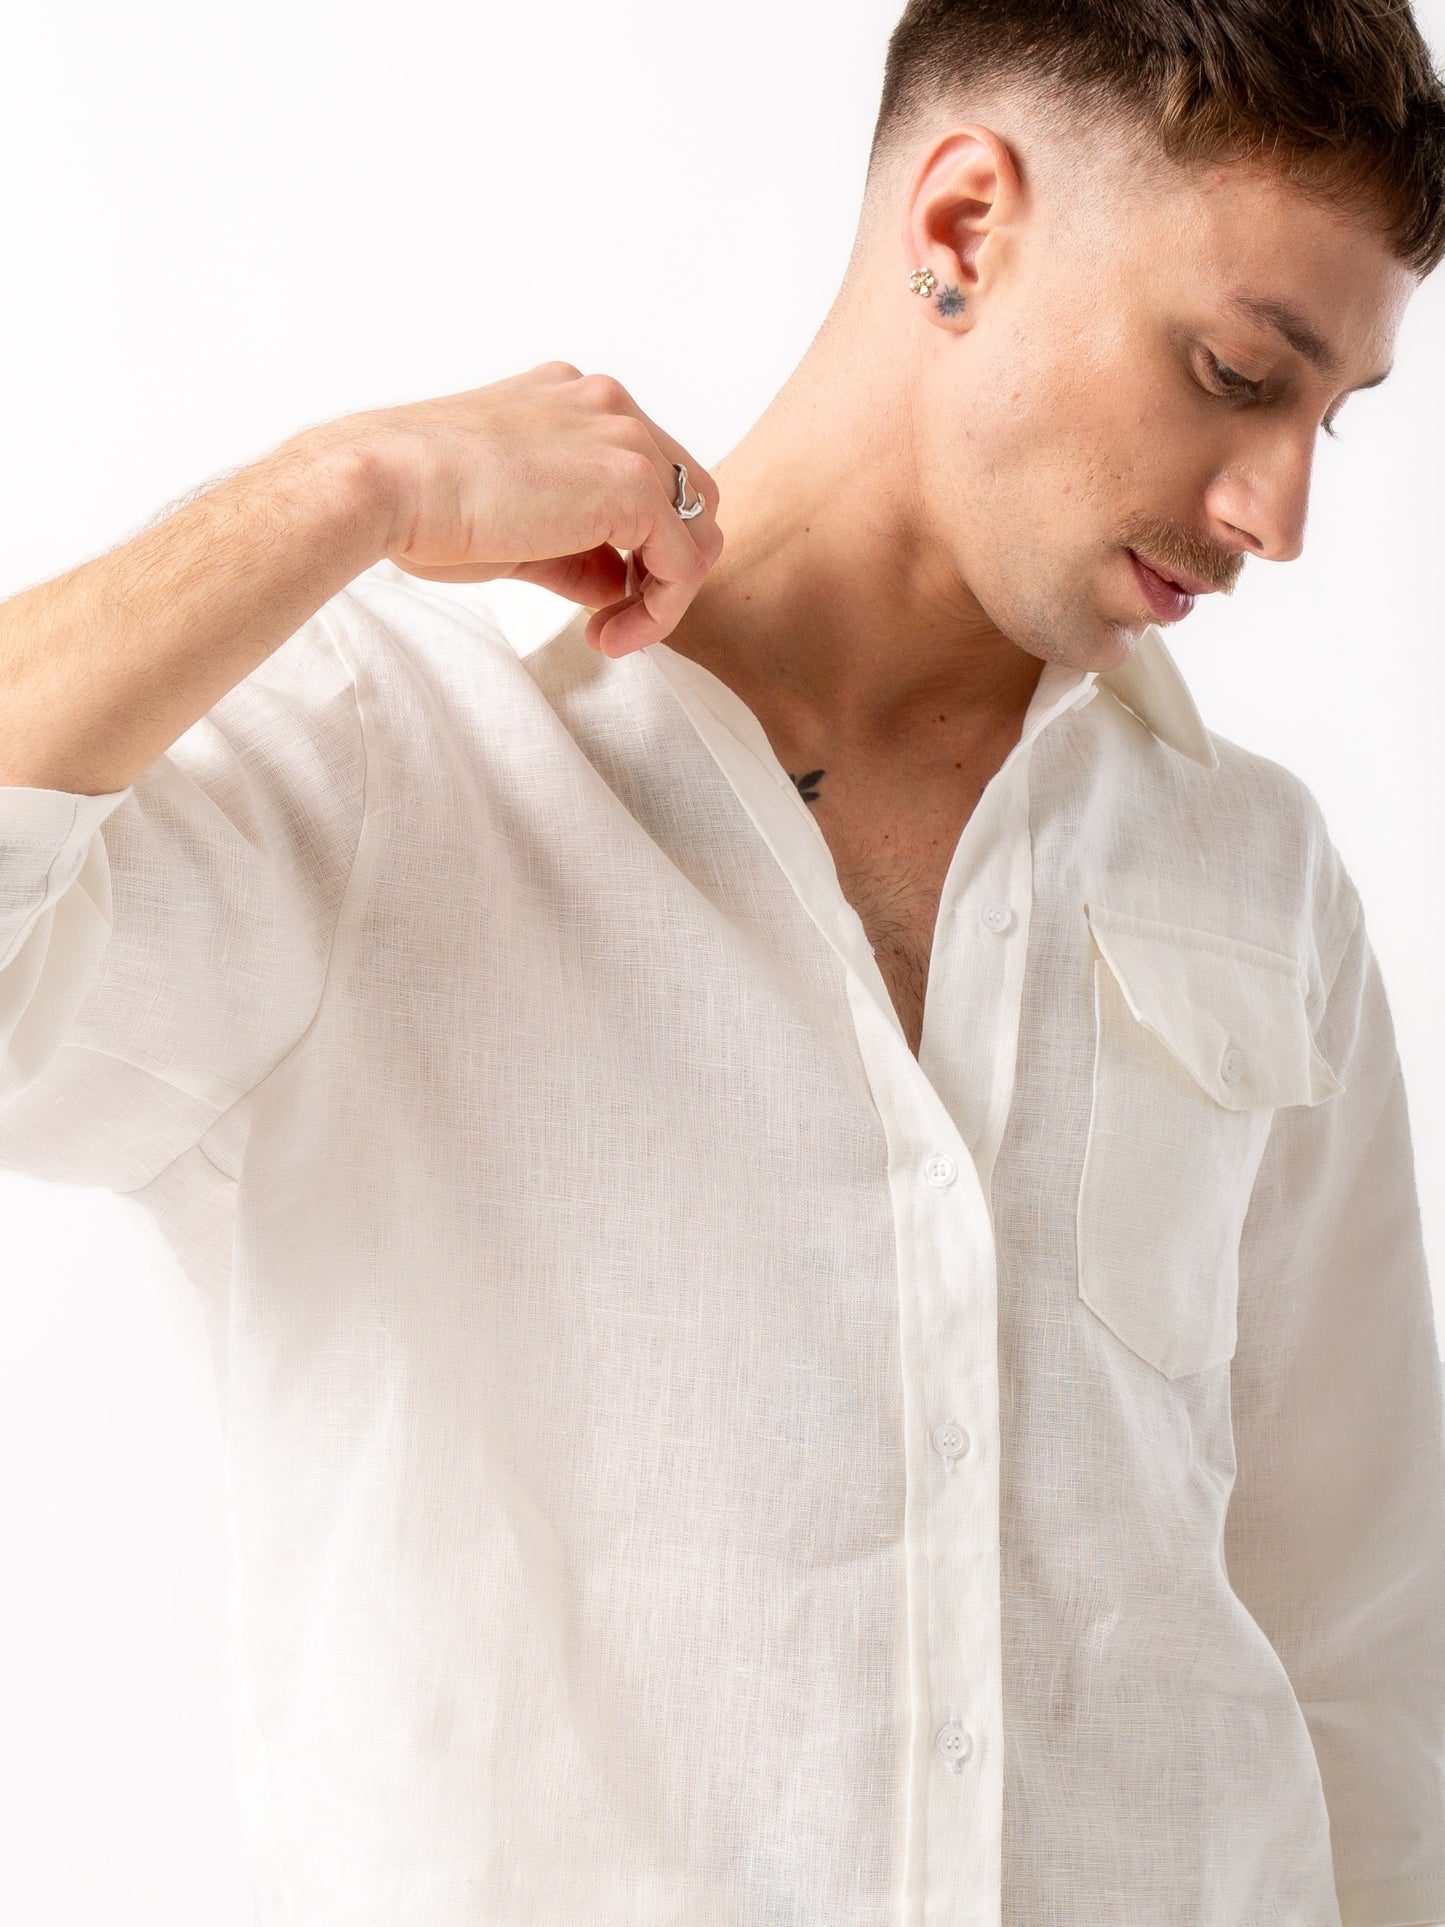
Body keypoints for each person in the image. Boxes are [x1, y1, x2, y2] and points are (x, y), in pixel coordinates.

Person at [1, 0, 1442, 1920]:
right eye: (1231, 373)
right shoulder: (377, 768)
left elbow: (1355, 1635)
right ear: (960, 229)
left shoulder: (1251, 866)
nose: (1278, 512)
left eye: (1327, 415)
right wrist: (338, 491)